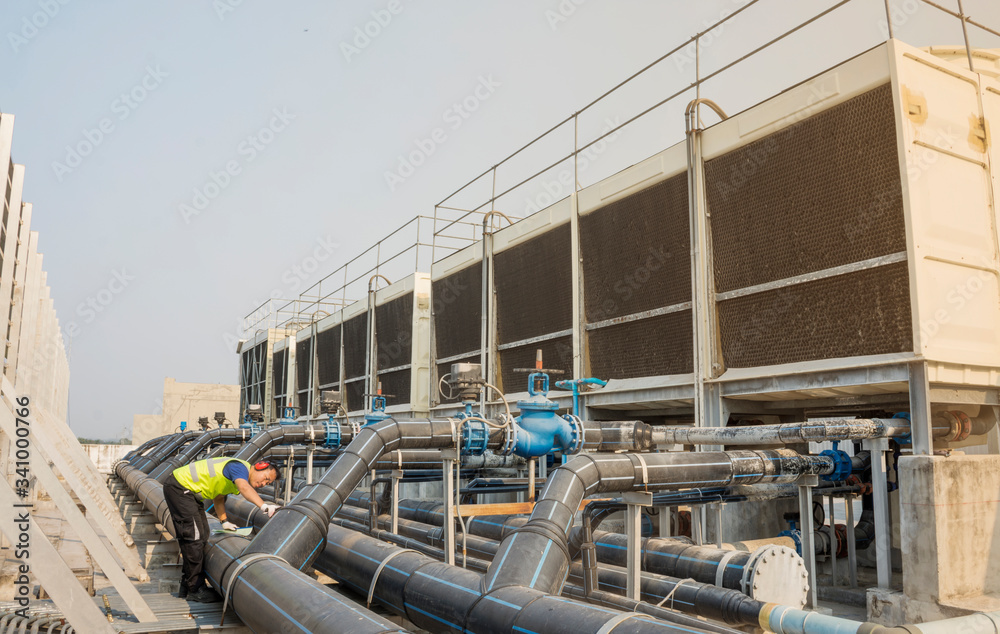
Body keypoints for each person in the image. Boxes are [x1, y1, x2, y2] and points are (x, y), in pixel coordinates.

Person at [164, 457, 281, 602]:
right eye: (266, 478)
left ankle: (187, 585)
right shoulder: (239, 468)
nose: (263, 484)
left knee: (202, 535)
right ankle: (195, 588)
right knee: (194, 537)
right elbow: (244, 488)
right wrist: (264, 506)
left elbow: (218, 497)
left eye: (267, 483)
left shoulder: (235, 475)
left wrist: (224, 521)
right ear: (260, 466)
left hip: (187, 492)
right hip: (180, 488)